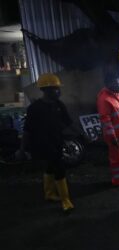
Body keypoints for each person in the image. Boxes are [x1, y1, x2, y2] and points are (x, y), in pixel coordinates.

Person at [17, 73, 74, 213]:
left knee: (50, 167)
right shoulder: (35, 108)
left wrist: (81, 134)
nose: (59, 91)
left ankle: (49, 194)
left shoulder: (59, 105)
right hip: (42, 145)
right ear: (45, 90)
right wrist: (22, 149)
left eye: (58, 88)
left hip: (57, 142)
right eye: (55, 89)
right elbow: (27, 130)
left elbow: (68, 123)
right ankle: (65, 200)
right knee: (59, 168)